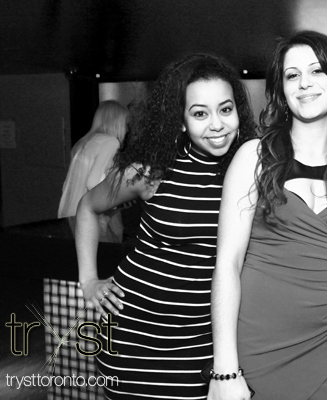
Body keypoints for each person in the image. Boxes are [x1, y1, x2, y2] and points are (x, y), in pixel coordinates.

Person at [75, 53, 256, 399]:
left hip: (204, 343)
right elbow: (87, 206)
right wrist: (88, 280)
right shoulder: (153, 171)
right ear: (181, 121)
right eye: (200, 113)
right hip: (134, 336)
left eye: (225, 109)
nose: (217, 124)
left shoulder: (252, 170)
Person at [210, 31, 327, 400]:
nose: (304, 83)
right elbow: (227, 264)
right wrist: (224, 369)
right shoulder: (255, 156)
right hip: (256, 348)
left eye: (316, 71)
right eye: (292, 75)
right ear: (281, 90)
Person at [58, 100, 129, 242]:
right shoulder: (110, 142)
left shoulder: (85, 142)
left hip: (71, 210)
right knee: (108, 253)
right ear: (117, 122)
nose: (127, 129)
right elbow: (93, 183)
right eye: (126, 123)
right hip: (91, 212)